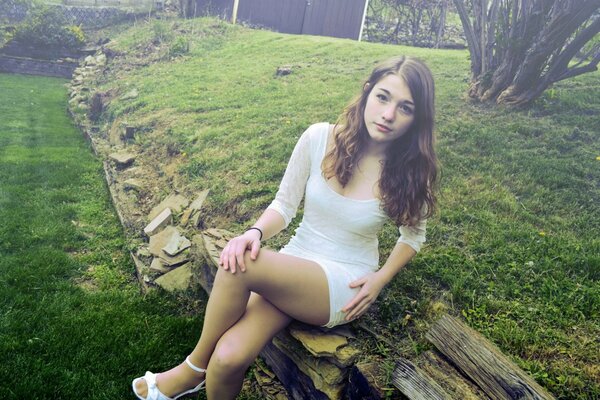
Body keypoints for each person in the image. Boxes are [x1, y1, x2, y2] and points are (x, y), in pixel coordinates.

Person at [132, 55, 438, 400]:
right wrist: (255, 232)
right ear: (367, 92)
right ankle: (206, 369)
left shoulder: (410, 170)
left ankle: (190, 370)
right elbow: (284, 205)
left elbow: (413, 236)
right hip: (297, 260)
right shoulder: (320, 138)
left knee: (243, 263)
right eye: (383, 97)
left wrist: (380, 279)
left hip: (343, 280)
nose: (388, 115)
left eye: (405, 108)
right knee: (229, 358)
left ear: (416, 119)